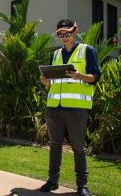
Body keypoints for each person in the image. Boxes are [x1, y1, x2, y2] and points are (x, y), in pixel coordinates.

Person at [39, 19, 101, 196]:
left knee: (78, 147)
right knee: (54, 145)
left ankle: (82, 186)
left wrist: (80, 75)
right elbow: (52, 81)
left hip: (77, 109)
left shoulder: (87, 51)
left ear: (75, 31)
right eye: (60, 35)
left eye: (67, 33)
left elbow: (95, 77)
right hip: (53, 108)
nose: (64, 37)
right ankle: (52, 181)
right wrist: (46, 81)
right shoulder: (56, 54)